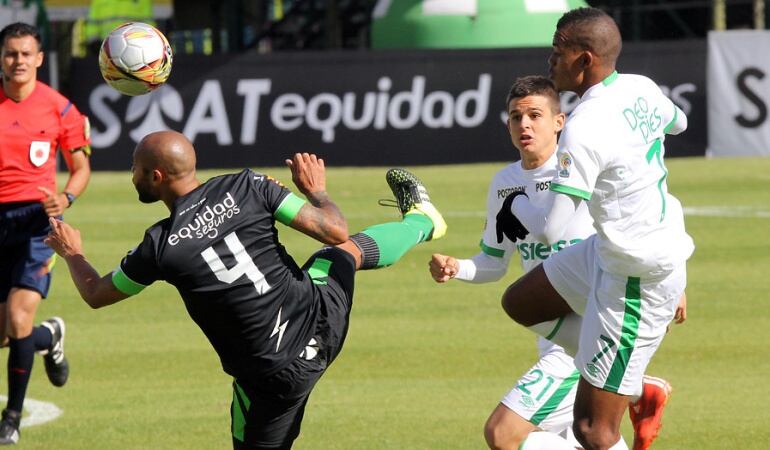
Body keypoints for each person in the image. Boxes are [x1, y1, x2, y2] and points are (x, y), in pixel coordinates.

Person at [45, 130, 447, 450]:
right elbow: (334, 228)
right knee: (343, 252)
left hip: (273, 375)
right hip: (322, 318)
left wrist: (73, 253)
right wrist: (316, 190)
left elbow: (96, 294)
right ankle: (422, 222)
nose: (133, 173)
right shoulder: (249, 185)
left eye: (135, 167)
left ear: (156, 177)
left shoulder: (160, 246)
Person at [429, 76, 684, 450]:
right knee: (585, 437)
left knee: (503, 434)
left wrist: (675, 282)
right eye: (516, 117)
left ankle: (636, 390)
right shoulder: (504, 183)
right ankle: (636, 390)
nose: (525, 125)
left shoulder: (582, 165)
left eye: (535, 115)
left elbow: (651, 215)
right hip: (553, 336)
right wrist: (458, 268)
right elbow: (494, 263)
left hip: (588, 332)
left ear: (559, 122)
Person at [496, 8, 693, 450]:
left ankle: (623, 380)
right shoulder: (640, 88)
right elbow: (678, 122)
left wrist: (516, 212)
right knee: (521, 302)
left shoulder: (584, 127)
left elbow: (555, 227)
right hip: (606, 252)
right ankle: (632, 384)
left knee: (592, 432)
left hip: (637, 275)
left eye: (557, 52)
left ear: (584, 60)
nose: (550, 60)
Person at [0, 22, 90, 445]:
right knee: (6, 334)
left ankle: (11, 419)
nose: (18, 61)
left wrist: (66, 198)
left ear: (39, 58)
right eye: (10, 53)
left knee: (18, 318)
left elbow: (81, 167)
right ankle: (49, 336)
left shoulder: (60, 108)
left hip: (36, 224)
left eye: (25, 53)